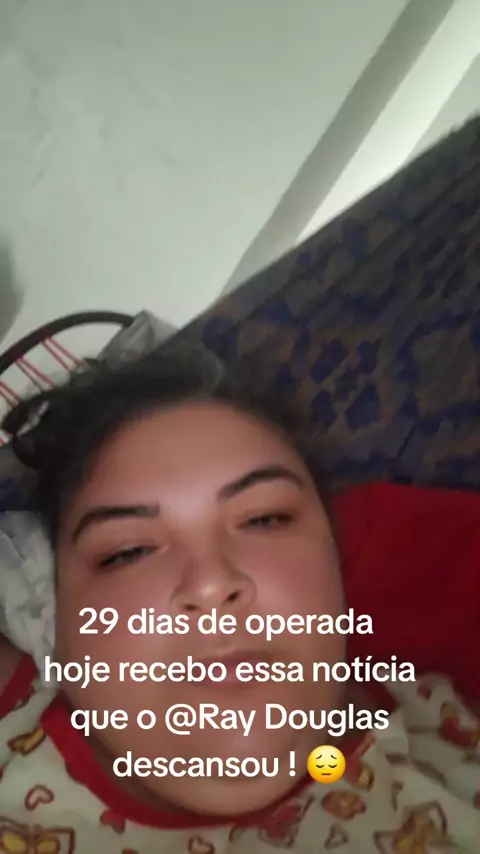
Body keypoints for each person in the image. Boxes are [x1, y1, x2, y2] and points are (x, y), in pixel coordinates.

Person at [0, 347, 478, 852]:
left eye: (264, 519)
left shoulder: (442, 724)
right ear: (58, 618)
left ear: (335, 560)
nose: (211, 584)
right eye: (128, 552)